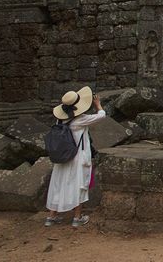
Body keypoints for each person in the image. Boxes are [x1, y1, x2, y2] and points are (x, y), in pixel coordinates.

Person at [44, 86, 105, 227]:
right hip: (77, 157)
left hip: (62, 156)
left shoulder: (60, 120)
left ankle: (51, 217)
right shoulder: (81, 120)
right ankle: (77, 218)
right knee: (79, 184)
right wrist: (97, 104)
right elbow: (102, 115)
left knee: (58, 184)